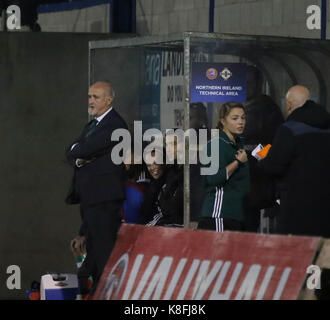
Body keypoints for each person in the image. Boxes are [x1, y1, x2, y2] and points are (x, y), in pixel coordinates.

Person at [65, 81, 128, 293]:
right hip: (90, 199)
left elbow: (85, 148)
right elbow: (72, 151)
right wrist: (80, 157)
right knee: (92, 250)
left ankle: (107, 293)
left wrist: (80, 153)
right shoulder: (93, 125)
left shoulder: (115, 125)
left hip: (104, 199)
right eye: (90, 96)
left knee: (104, 252)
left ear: (109, 100)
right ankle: (91, 291)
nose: (91, 101)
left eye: (96, 97)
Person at [259, 85, 330, 237]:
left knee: (292, 252)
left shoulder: (289, 130)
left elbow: (273, 166)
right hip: (325, 208)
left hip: (295, 206)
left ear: (289, 104)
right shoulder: (326, 127)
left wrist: (264, 157)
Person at [198, 102, 250, 232]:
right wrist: (237, 162)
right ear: (223, 121)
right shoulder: (216, 144)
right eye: (235, 118)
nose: (240, 122)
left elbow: (255, 156)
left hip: (237, 214)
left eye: (243, 118)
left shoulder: (239, 143)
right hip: (219, 214)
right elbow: (213, 178)